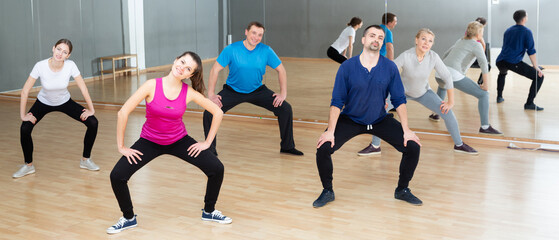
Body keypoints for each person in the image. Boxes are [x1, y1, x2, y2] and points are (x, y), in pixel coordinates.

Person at [107, 51, 231, 234]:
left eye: (188, 68)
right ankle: (128, 218)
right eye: (182, 62)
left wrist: (207, 143)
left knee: (217, 168)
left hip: (179, 140)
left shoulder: (188, 92)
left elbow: (218, 112)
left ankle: (209, 211)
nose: (182, 67)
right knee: (117, 176)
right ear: (175, 60)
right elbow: (123, 112)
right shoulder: (151, 85)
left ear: (190, 75)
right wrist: (121, 146)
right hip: (149, 141)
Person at [313, 25, 423, 208]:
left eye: (380, 37)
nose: (376, 39)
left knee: (412, 146)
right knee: (323, 147)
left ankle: (402, 189)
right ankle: (327, 191)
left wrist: (406, 130)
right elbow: (337, 101)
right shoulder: (347, 67)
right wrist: (330, 131)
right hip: (351, 119)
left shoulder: (390, 67)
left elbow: (399, 99)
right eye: (372, 35)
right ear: (363, 40)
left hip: (379, 119)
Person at [203, 21, 303, 156]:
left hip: (257, 91)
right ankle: (210, 149)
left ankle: (287, 146)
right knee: (209, 111)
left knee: (285, 108)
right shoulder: (231, 49)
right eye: (253, 33)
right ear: (246, 32)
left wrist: (283, 93)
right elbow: (215, 70)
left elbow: (282, 70)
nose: (256, 37)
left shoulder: (266, 50)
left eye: (260, 35)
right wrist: (211, 94)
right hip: (232, 90)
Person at [13, 39, 99, 178]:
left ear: (68, 55)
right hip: (43, 102)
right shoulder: (40, 66)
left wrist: (91, 109)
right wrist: (23, 115)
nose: (60, 53)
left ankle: (85, 160)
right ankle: (28, 165)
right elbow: (25, 91)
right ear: (53, 48)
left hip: (64, 101)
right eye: (59, 49)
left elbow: (83, 88)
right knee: (25, 128)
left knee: (93, 122)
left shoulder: (70, 65)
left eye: (65, 52)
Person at [396, 29, 478, 154]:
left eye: (430, 41)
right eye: (423, 39)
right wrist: (385, 95)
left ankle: (459, 144)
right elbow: (389, 72)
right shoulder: (406, 55)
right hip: (401, 93)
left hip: (423, 93)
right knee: (380, 111)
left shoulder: (433, 56)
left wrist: (450, 102)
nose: (426, 43)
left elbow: (447, 77)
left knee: (448, 114)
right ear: (416, 40)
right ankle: (375, 146)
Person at [433, 21, 503, 136]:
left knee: (443, 86)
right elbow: (484, 64)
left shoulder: (460, 40)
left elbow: (446, 54)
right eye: (482, 32)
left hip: (439, 73)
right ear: (478, 33)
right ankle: (485, 127)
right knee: (484, 94)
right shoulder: (476, 45)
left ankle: (436, 114)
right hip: (453, 74)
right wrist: (486, 84)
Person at [357, 12, 398, 156]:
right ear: (390, 22)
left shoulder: (376, 29)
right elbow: (390, 47)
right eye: (395, 21)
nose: (396, 24)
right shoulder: (387, 31)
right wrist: (391, 65)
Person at [495, 10, 544, 110]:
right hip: (512, 62)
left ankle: (499, 96)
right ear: (524, 19)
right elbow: (531, 51)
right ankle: (529, 104)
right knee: (539, 77)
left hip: (500, 60)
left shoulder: (508, 30)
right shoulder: (527, 32)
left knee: (502, 73)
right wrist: (536, 67)